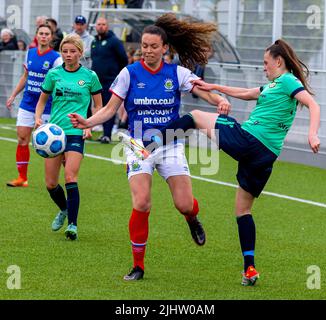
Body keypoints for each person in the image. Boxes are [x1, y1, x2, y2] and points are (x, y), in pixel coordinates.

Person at [146, 39, 321, 286]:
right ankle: (249, 269)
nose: (264, 67)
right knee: (243, 211)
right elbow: (247, 94)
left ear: (278, 61)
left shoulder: (288, 81)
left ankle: (148, 147)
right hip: (265, 156)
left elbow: (313, 104)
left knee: (195, 116)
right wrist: (214, 86)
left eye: (266, 62)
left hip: (249, 141)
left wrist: (312, 133)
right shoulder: (274, 85)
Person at [69, 13, 230, 280]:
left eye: (154, 46)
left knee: (184, 204)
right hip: (137, 146)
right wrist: (87, 122)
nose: (148, 50)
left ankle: (192, 219)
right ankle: (138, 266)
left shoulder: (177, 73)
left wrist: (219, 100)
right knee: (142, 203)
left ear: (165, 48)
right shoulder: (128, 73)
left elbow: (204, 90)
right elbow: (110, 109)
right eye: (144, 45)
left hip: (169, 143)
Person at [34, 34, 102, 240]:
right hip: (54, 134)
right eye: (65, 51)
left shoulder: (90, 76)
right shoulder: (53, 74)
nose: (69, 55)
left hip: (75, 132)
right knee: (50, 184)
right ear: (61, 53)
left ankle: (72, 224)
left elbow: (99, 106)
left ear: (80, 53)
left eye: (73, 51)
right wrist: (38, 118)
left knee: (71, 177)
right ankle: (64, 209)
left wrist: (89, 125)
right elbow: (42, 100)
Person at [6, 24, 62, 187]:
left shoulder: (55, 58)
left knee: (54, 144)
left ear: (51, 37)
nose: (43, 36)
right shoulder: (30, 53)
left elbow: (59, 83)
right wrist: (13, 95)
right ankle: (22, 178)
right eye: (41, 33)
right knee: (22, 138)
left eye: (47, 34)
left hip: (47, 107)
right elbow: (26, 76)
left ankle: (58, 179)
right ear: (36, 36)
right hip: (27, 103)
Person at [91, 17, 128, 144]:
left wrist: (118, 75)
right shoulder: (94, 42)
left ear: (107, 26)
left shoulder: (114, 42)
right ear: (96, 26)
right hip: (96, 82)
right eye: (99, 24)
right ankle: (100, 131)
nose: (101, 26)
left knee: (109, 107)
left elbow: (123, 59)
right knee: (99, 107)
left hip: (110, 81)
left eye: (103, 24)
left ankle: (107, 134)